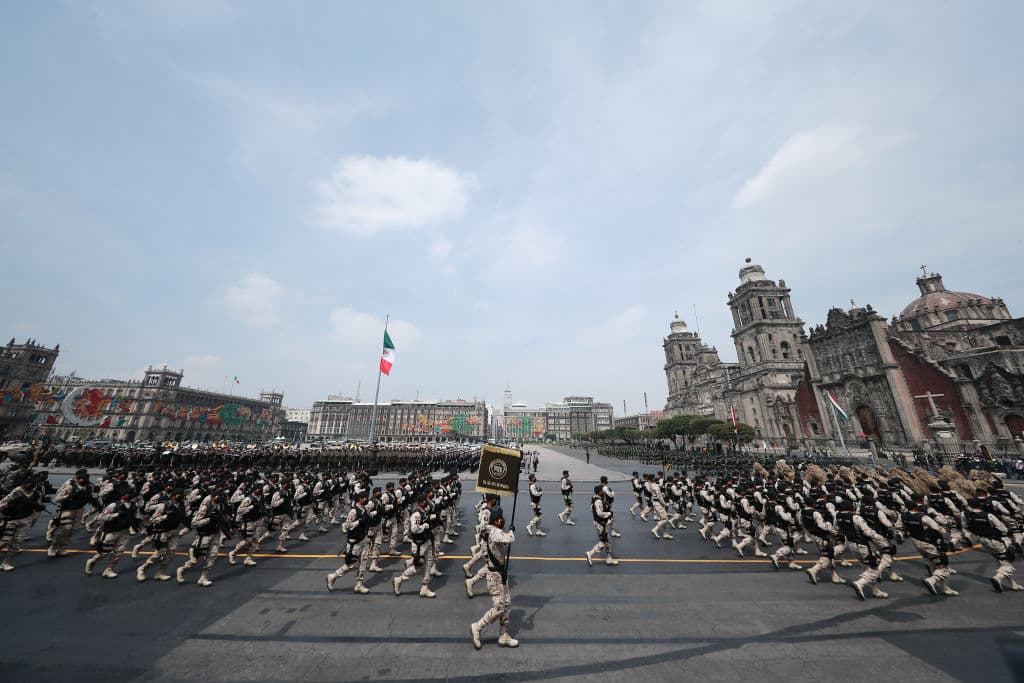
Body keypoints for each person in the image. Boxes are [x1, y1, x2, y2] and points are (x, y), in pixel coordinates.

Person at [470, 507, 518, 650]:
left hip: (500, 573)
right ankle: (477, 627)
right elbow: (509, 538)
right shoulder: (494, 532)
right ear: (495, 521)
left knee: (507, 605)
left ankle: (503, 635)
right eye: (500, 519)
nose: (502, 521)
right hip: (495, 576)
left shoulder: (490, 531)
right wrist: (511, 531)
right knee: (499, 608)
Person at [0, 480, 45, 571]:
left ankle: (6, 563)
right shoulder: (16, 492)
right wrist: (11, 503)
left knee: (17, 542)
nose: (28, 487)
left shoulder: (36, 494)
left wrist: (38, 507)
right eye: (26, 485)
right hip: (12, 520)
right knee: (4, 541)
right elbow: (1, 505)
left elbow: (38, 507)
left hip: (25, 520)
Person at [585, 485, 619, 567]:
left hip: (599, 523)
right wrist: (609, 513)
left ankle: (609, 558)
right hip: (600, 524)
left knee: (607, 541)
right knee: (603, 542)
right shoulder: (598, 501)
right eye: (602, 491)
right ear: (600, 492)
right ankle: (590, 553)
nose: (604, 493)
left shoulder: (594, 498)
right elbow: (599, 513)